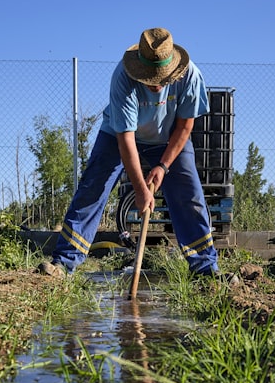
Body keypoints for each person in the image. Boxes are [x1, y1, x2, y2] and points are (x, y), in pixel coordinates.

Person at [37, 27, 222, 279]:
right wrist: (140, 189)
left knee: (189, 195)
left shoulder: (191, 76)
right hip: (118, 136)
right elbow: (125, 139)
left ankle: (205, 269)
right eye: (150, 78)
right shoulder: (122, 78)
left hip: (168, 138)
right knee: (93, 187)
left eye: (161, 78)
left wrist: (163, 166)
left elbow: (185, 126)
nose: (156, 85)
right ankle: (64, 263)